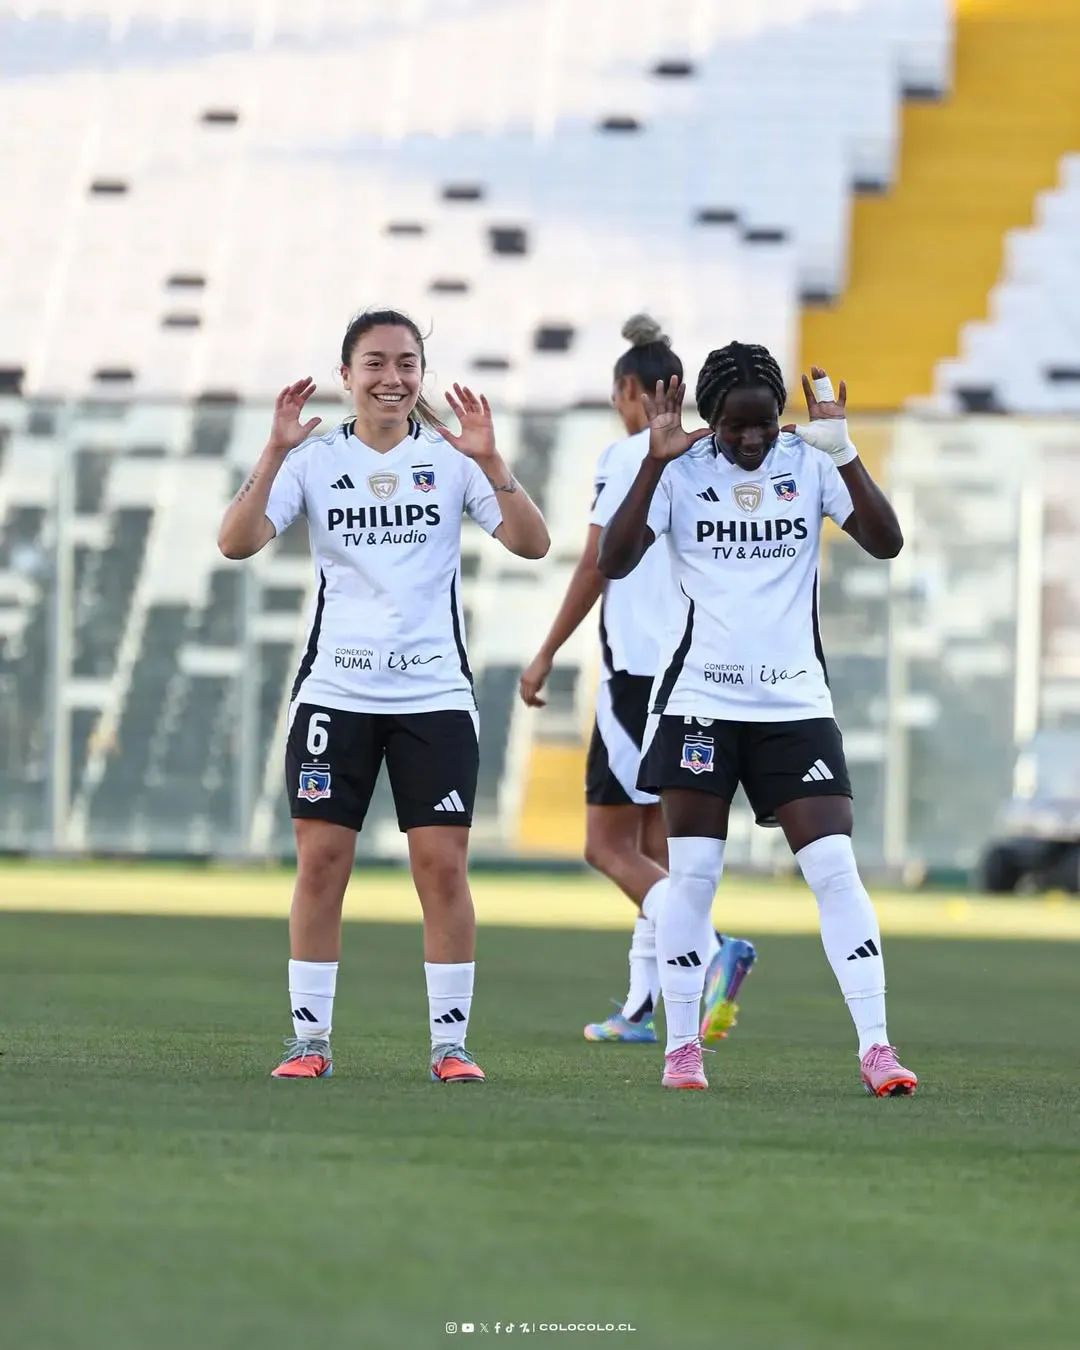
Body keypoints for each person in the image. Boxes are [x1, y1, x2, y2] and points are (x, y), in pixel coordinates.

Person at [218, 308, 550, 1083]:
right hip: (337, 691)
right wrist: (271, 451)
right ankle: (309, 1041)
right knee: (323, 862)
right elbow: (236, 541)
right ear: (346, 375)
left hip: (433, 693)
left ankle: (450, 1046)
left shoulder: (454, 456)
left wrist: (494, 460)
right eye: (374, 362)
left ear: (420, 375)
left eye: (406, 363)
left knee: (440, 868)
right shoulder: (311, 458)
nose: (391, 378)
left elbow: (531, 543)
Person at [598, 342, 918, 1097]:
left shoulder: (809, 463)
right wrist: (653, 459)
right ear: (709, 420)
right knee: (695, 877)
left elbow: (886, 541)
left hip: (794, 705)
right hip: (701, 706)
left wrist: (842, 453)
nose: (751, 440)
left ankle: (877, 1049)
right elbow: (614, 559)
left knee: (835, 869)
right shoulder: (678, 470)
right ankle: (682, 1050)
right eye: (736, 427)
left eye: (765, 426)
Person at [520, 316, 756, 1046]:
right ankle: (642, 1006)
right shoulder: (708, 456)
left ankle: (715, 947)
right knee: (655, 849)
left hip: (637, 675)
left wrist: (546, 650)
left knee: (607, 846)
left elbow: (598, 563)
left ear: (630, 390)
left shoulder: (627, 456)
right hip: (696, 675)